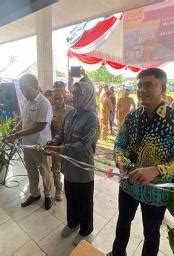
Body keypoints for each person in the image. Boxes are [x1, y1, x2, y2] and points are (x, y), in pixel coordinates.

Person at [107, 68, 174, 256]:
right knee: (123, 221)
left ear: (162, 88)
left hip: (155, 192)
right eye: (139, 85)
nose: (141, 90)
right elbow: (119, 144)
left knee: (151, 233)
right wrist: (121, 161)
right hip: (128, 184)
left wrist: (156, 170)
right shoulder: (132, 117)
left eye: (148, 85)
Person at [45, 81, 99, 246]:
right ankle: (72, 223)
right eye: (72, 93)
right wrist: (55, 140)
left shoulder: (92, 118)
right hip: (69, 166)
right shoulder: (71, 113)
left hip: (83, 166)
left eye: (77, 94)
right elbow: (62, 131)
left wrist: (60, 149)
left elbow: (84, 144)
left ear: (88, 96)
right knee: (71, 196)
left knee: (84, 200)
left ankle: (85, 230)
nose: (73, 96)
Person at [5, 74, 54, 210]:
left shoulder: (43, 103)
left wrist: (17, 135)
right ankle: (34, 194)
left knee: (45, 171)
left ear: (36, 87)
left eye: (26, 89)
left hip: (41, 144)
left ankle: (48, 195)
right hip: (27, 144)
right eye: (21, 89)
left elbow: (40, 126)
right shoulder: (27, 101)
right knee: (31, 170)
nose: (23, 92)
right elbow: (23, 120)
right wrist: (15, 130)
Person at [50, 89, 72, 200]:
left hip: (68, 145)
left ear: (64, 98)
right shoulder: (50, 110)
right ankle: (58, 188)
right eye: (55, 99)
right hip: (55, 144)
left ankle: (69, 187)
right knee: (55, 168)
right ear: (52, 99)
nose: (57, 101)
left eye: (60, 98)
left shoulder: (71, 110)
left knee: (68, 167)